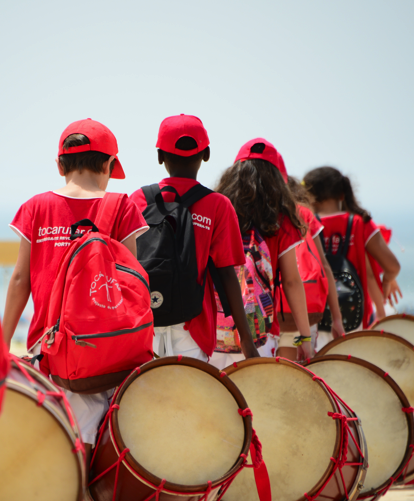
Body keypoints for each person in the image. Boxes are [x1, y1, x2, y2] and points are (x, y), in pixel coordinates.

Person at [3, 118, 147, 501]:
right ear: (109, 165)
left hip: (55, 354)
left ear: (61, 163)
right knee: (87, 459)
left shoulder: (35, 208)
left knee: (65, 457)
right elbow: (132, 285)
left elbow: (20, 280)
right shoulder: (123, 207)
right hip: (110, 353)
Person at [129, 114, 259, 364]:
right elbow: (227, 274)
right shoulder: (217, 205)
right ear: (206, 154)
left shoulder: (138, 199)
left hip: (144, 325)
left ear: (159, 156)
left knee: (145, 400)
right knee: (189, 401)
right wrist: (246, 339)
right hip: (193, 327)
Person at [212, 138, 314, 369]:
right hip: (260, 336)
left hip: (211, 335)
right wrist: (305, 337)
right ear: (276, 179)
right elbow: (290, 281)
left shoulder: (217, 209)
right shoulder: (280, 220)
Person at [302, 166, 401, 340]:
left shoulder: (305, 225)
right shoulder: (359, 223)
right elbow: (390, 267)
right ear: (342, 194)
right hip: (354, 318)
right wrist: (387, 281)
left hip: (314, 318)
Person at [275, 172, 345, 360]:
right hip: (302, 313)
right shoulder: (304, 214)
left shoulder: (264, 212)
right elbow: (324, 265)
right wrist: (336, 318)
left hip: (269, 312)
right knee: (296, 377)